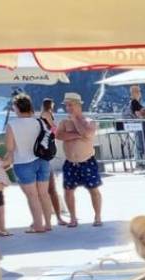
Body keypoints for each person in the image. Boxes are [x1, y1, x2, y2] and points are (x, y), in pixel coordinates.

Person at [5, 94, 54, 233]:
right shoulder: (39, 122)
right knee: (44, 194)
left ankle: (38, 226)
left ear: (16, 108)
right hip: (42, 160)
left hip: (23, 163)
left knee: (32, 196)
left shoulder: (12, 125)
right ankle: (48, 224)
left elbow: (10, 148)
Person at [55, 92, 102, 227]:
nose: (67, 108)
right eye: (66, 105)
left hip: (87, 161)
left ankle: (97, 216)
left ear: (78, 105)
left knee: (94, 189)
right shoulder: (64, 122)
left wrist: (75, 120)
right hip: (70, 162)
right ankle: (73, 218)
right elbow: (59, 135)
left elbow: (87, 134)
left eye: (70, 105)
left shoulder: (89, 121)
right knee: (68, 191)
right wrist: (77, 134)